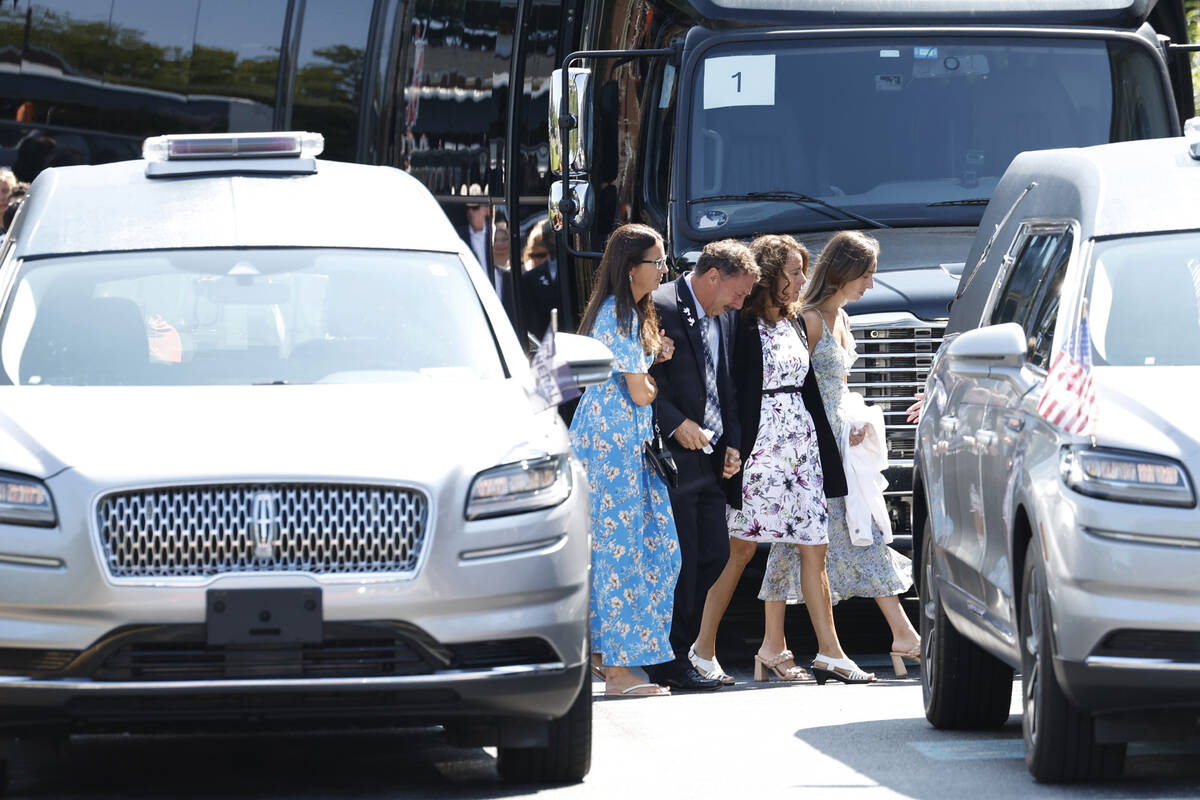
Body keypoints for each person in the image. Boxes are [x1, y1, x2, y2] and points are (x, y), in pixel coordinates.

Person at [686, 234, 873, 685]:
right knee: (741, 549)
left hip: (800, 448)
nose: (803, 280)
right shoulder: (739, 324)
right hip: (758, 449)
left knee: (816, 545)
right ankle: (701, 648)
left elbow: (811, 389)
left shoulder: (794, 323)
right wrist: (730, 448)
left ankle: (830, 652)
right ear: (770, 275)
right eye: (794, 271)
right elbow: (727, 391)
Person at [787, 230, 921, 676]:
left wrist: (856, 425)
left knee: (855, 535)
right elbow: (792, 390)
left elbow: (839, 390)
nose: (871, 285)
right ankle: (898, 636)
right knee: (807, 546)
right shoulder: (807, 320)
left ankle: (900, 635)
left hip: (844, 449)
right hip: (814, 450)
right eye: (866, 275)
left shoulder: (841, 320)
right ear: (843, 273)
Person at [568, 223, 681, 698]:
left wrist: (649, 366)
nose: (663, 270)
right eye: (656, 262)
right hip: (614, 445)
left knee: (630, 549)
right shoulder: (621, 316)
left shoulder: (621, 313)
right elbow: (641, 393)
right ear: (631, 268)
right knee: (626, 552)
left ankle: (605, 654)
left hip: (612, 443)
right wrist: (650, 378)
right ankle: (617, 669)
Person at [646, 239, 757, 692]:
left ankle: (678, 652)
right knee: (684, 560)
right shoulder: (660, 305)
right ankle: (669, 659)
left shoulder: (724, 317)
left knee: (713, 556)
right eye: (738, 292)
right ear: (713, 276)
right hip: (674, 454)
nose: (740, 302)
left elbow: (725, 383)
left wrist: (733, 444)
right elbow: (639, 378)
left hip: (712, 455)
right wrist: (675, 424)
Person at [521, 218, 561, 339]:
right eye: (549, 236)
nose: (552, 240)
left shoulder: (576, 270)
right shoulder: (529, 278)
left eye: (555, 235)